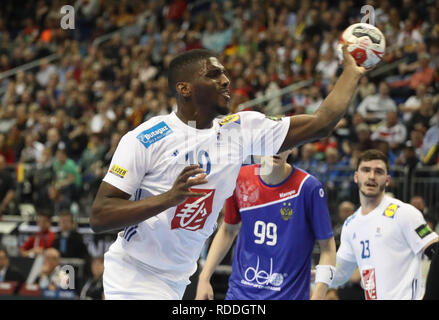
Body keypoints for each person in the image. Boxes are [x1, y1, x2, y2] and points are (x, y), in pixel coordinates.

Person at [91, 47, 366, 299]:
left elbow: (320, 124)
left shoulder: (240, 130)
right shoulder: (146, 139)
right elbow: (100, 215)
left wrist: (352, 73)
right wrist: (168, 199)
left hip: (181, 276)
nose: (225, 81)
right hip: (134, 275)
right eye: (213, 75)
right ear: (184, 88)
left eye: (224, 73)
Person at [195, 150, 336, 300]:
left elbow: (328, 247)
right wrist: (204, 277)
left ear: (293, 148)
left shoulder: (308, 187)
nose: (278, 149)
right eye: (272, 140)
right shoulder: (240, 177)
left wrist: (319, 295)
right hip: (240, 294)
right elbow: (228, 230)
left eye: (284, 142)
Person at [330, 149, 439, 299]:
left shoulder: (404, 213)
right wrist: (310, 275)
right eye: (366, 170)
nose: (372, 176)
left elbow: (435, 250)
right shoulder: (351, 224)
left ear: (387, 180)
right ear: (356, 177)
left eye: (379, 172)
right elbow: (340, 273)